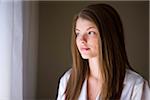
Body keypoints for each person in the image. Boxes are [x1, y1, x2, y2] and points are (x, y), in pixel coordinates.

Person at [57, 3, 150, 100]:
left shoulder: (136, 86)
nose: (82, 40)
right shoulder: (68, 80)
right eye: (78, 33)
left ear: (108, 37)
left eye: (90, 32)